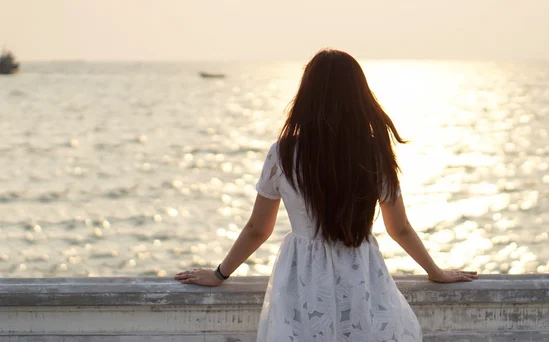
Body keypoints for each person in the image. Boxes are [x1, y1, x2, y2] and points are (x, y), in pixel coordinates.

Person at [174, 49, 478, 341]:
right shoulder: (374, 152)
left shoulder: (284, 152)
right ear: (359, 96)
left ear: (306, 96)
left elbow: (258, 229)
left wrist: (219, 274)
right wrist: (435, 271)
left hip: (303, 278)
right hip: (361, 276)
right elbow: (399, 228)